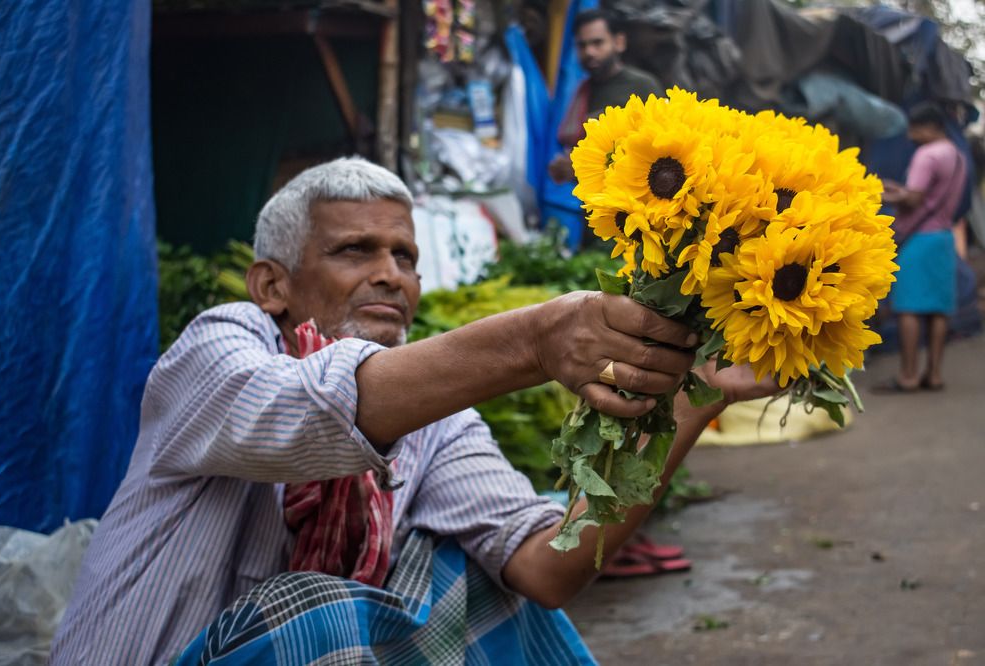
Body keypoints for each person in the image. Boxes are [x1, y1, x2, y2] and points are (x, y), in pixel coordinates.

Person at [50, 157, 773, 665]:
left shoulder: (436, 422)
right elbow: (313, 408)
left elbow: (548, 568)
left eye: (404, 256)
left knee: (464, 571)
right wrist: (535, 338)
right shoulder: (218, 348)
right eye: (354, 250)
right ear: (273, 284)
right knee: (315, 605)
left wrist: (686, 404)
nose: (389, 275)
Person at [880, 102, 967, 392]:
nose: (911, 135)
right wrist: (900, 191)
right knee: (939, 310)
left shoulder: (926, 155)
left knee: (908, 308)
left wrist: (885, 192)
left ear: (930, 127)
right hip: (943, 237)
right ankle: (934, 374)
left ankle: (908, 376)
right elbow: (932, 197)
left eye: (915, 129)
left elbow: (915, 200)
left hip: (918, 240)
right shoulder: (956, 155)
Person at [548, 8, 664, 185]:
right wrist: (570, 168)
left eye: (597, 43)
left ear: (619, 42)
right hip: (595, 205)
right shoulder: (581, 91)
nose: (589, 52)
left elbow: (659, 150)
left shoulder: (643, 86)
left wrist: (583, 167)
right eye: (582, 45)